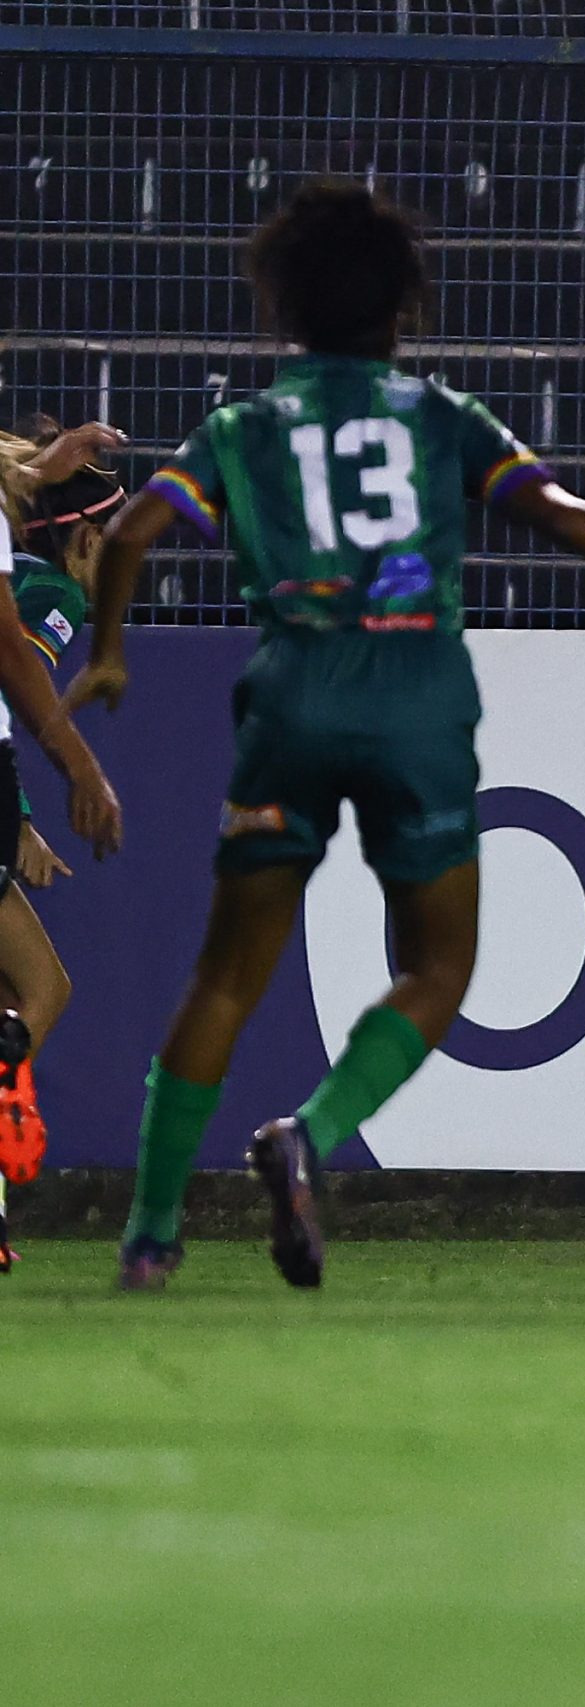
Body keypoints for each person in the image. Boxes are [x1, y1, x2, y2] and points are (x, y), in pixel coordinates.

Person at [71, 182, 585, 1292]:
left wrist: (113, 650)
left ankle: (151, 1234)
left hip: (292, 696)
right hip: (416, 702)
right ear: (402, 312)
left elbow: (129, 530)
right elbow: (561, 513)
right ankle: (308, 1136)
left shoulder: (238, 430)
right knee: (438, 964)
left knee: (225, 978)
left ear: (287, 315)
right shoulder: (441, 419)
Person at [0, 420, 130, 1269]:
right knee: (42, 992)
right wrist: (21, 818)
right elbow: (10, 666)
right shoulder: (57, 597)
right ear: (89, 540)